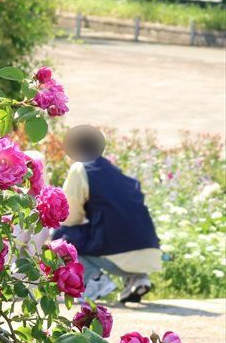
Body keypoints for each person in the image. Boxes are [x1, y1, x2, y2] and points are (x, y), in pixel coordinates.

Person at [52, 125, 162, 303]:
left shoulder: (81, 168)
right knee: (110, 228)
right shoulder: (113, 171)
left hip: (121, 255)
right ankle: (138, 278)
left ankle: (95, 280)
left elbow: (69, 217)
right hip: (150, 252)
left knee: (61, 237)